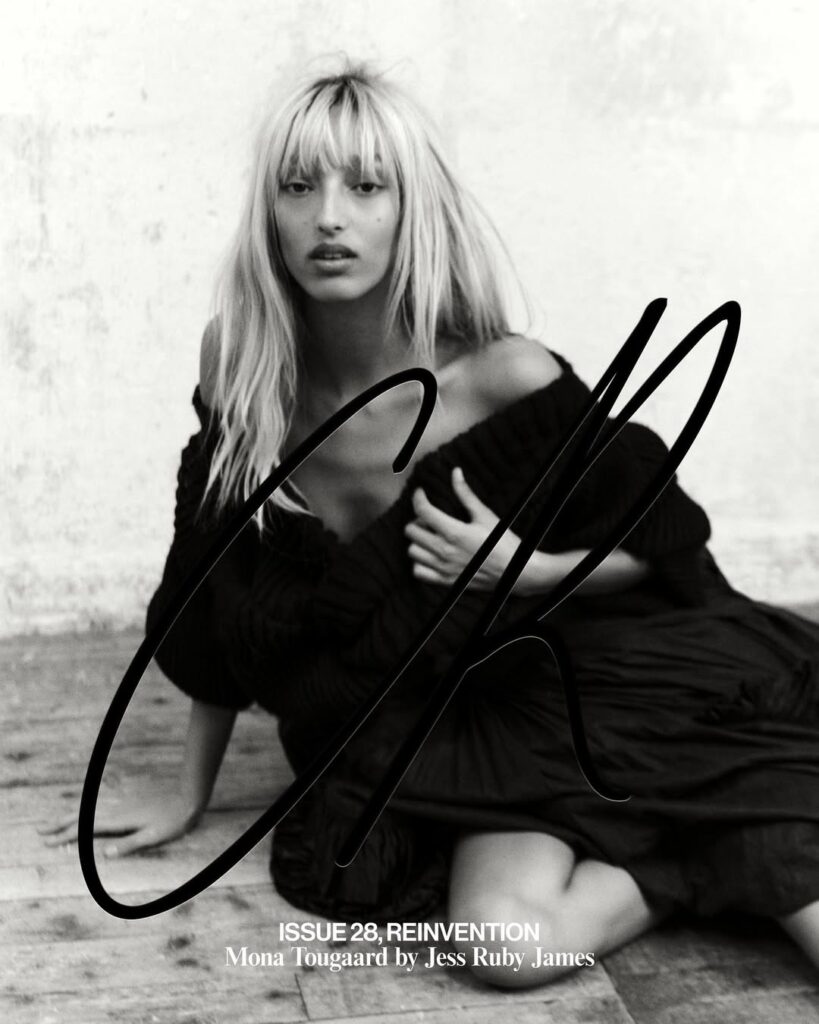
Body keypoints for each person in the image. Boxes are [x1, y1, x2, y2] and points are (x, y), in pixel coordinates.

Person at [42, 63, 819, 987]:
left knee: (779, 846)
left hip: (593, 677)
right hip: (462, 730)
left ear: (413, 208)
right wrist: (189, 791)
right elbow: (213, 584)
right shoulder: (241, 368)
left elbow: (663, 545)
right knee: (504, 947)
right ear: (268, 212)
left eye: (367, 187)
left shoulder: (500, 375)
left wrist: (527, 569)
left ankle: (730, 836)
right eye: (299, 186)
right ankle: (690, 860)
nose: (329, 217)